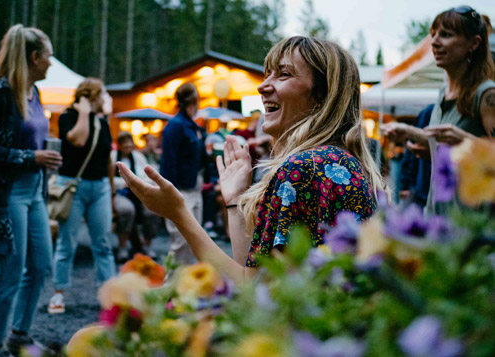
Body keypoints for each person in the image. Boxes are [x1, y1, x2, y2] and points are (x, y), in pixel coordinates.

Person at [117, 36, 383, 283]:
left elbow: (254, 293)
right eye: (268, 73)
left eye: (284, 74)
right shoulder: (338, 162)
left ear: (322, 96)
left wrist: (178, 214)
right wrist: (234, 199)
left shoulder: (302, 168)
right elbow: (253, 270)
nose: (263, 85)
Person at [0, 25, 62, 356]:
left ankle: (18, 335)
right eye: (48, 55)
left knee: (40, 265)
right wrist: (29, 156)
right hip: (6, 196)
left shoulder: (34, 93)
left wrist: (42, 159)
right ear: (34, 58)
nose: (51, 61)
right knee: (8, 272)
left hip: (34, 191)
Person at [382, 6, 495, 211]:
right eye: (434, 35)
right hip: (435, 216)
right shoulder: (443, 94)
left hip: (472, 225)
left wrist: (464, 141)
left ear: (474, 43)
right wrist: (410, 133)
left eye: (446, 35)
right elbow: (447, 142)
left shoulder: (487, 95)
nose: (435, 42)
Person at [49, 78, 116, 314]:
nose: (105, 99)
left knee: (103, 244)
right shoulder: (68, 116)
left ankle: (110, 295)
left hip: (100, 188)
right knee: (67, 243)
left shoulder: (103, 123)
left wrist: (111, 189)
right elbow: (78, 139)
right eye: (102, 95)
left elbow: (107, 157)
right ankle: (58, 293)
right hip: (73, 186)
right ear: (90, 96)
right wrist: (84, 113)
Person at [159, 82, 207, 265]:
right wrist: (169, 193)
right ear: (193, 100)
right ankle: (171, 288)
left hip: (195, 188)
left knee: (195, 241)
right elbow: (168, 161)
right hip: (180, 190)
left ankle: (188, 288)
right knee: (180, 243)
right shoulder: (175, 126)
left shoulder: (193, 126)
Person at [111, 131, 148, 261]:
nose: (128, 147)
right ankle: (123, 245)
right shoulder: (113, 157)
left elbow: (145, 177)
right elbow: (111, 180)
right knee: (127, 210)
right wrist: (126, 183)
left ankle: (146, 245)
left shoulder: (138, 157)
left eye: (129, 144)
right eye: (125, 145)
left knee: (151, 213)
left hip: (138, 192)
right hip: (119, 193)